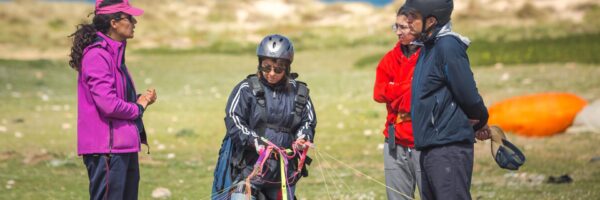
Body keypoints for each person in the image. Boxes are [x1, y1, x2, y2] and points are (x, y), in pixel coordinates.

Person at [401, 0, 491, 199]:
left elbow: (468, 95)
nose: (407, 20)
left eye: (413, 16)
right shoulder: (427, 47)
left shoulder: (448, 46)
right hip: (429, 147)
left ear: (431, 21)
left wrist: (481, 120)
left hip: (448, 148)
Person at [211, 34, 317, 200]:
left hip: (284, 173)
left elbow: (308, 121)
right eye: (266, 67)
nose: (272, 73)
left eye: (278, 69)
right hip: (249, 169)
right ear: (259, 64)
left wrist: (302, 138)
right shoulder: (246, 89)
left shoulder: (300, 93)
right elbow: (234, 120)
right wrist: (255, 142)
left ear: (287, 68)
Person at [68, 0, 156, 199]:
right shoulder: (97, 55)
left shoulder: (114, 54)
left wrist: (140, 99)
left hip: (123, 147)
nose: (135, 22)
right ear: (114, 23)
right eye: (129, 18)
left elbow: (116, 97)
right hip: (107, 151)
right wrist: (139, 106)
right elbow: (108, 105)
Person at [373, 7, 423, 200]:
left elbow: (418, 96)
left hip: (424, 141)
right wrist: (408, 86)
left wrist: (394, 89)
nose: (398, 32)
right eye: (396, 26)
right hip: (394, 141)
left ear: (418, 26)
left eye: (403, 27)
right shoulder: (389, 59)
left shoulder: (429, 56)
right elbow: (378, 93)